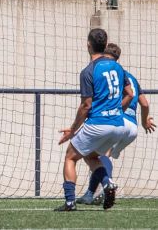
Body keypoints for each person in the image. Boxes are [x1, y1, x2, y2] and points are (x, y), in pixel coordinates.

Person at [55, 29, 134, 211]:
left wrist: (73, 129)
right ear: (106, 46)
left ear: (88, 45)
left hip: (98, 124)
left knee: (70, 157)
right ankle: (107, 183)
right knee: (91, 155)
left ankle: (69, 202)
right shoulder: (119, 67)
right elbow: (129, 93)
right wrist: (114, 110)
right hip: (119, 125)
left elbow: (86, 106)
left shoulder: (88, 71)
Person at [77, 43, 155, 205]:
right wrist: (144, 121)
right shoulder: (130, 76)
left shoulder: (108, 73)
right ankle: (92, 193)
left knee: (97, 156)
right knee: (104, 156)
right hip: (132, 128)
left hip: (116, 120)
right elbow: (145, 104)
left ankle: (106, 186)